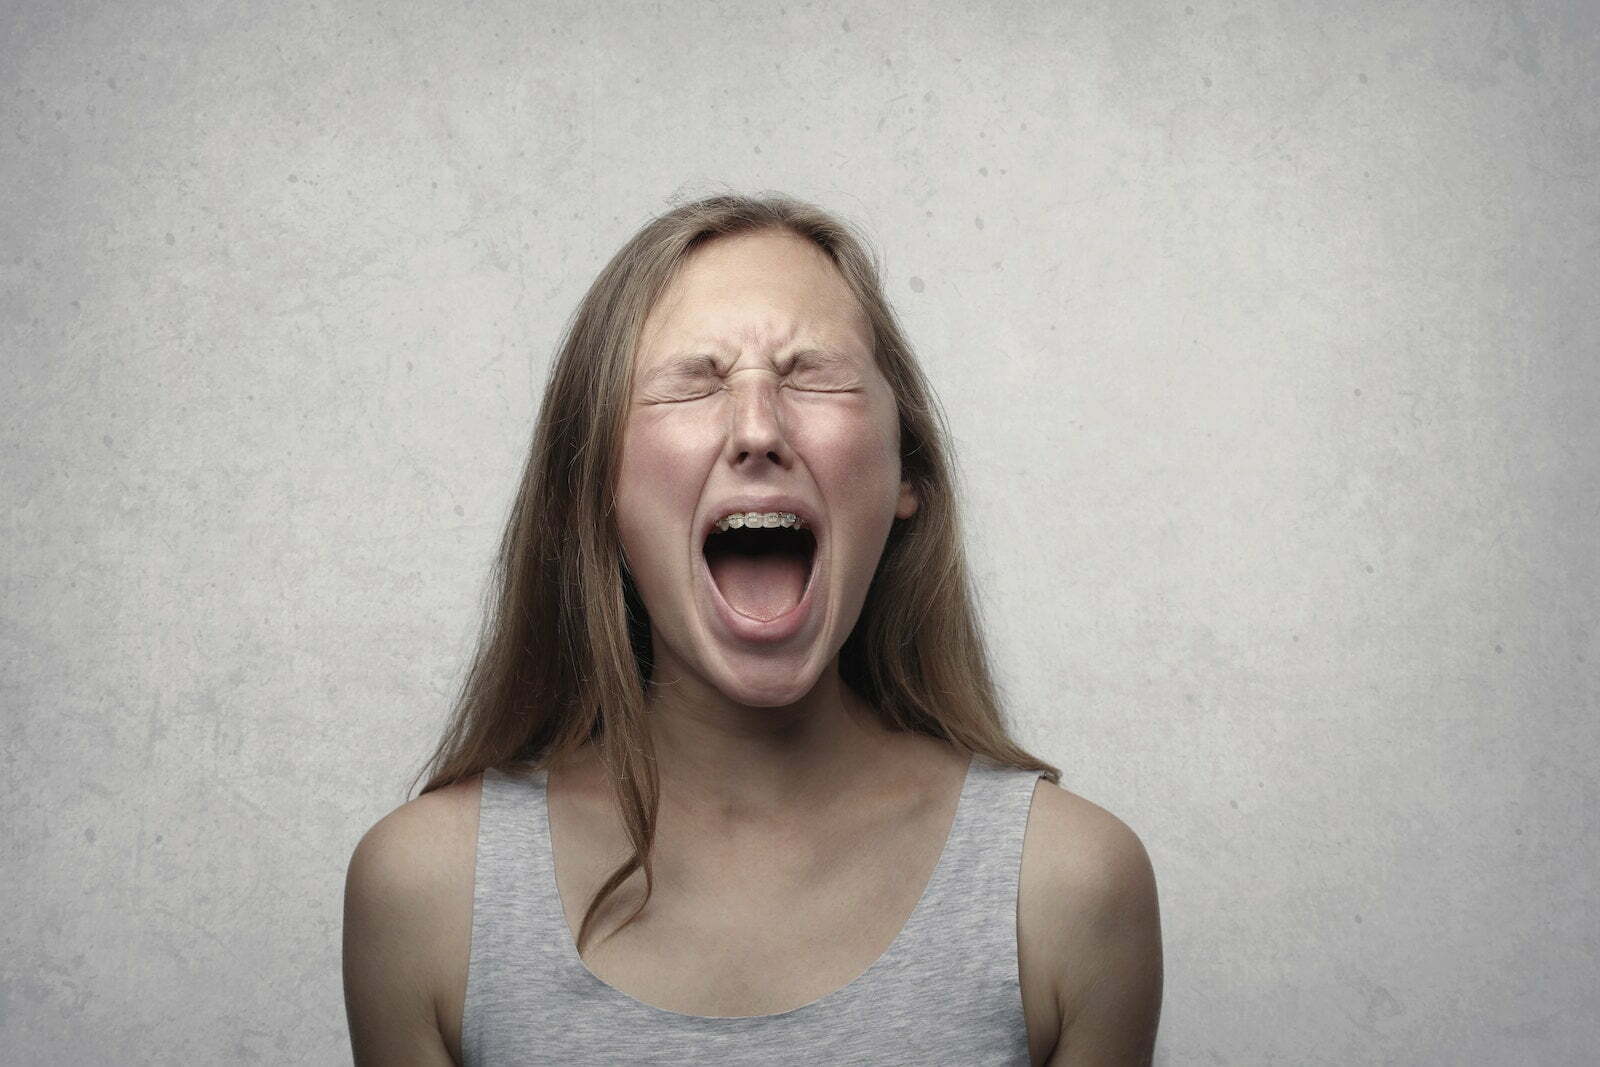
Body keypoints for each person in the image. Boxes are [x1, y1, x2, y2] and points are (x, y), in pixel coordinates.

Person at [342, 192, 1163, 1065]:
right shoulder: (428, 897)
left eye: (812, 371)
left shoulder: (1069, 889)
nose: (759, 429)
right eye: (693, 380)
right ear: (594, 491)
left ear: (905, 474)